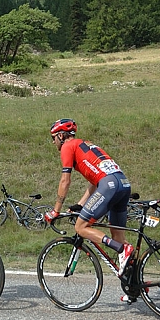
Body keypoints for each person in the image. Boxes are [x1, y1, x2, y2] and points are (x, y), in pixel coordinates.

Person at [43, 119, 134, 277]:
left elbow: (65, 181)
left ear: (61, 136)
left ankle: (123, 249)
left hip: (109, 185)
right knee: (118, 238)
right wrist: (80, 204)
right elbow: (95, 182)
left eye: (53, 138)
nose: (53, 142)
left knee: (81, 227)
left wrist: (55, 211)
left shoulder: (67, 146)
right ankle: (135, 287)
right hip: (123, 183)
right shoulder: (87, 144)